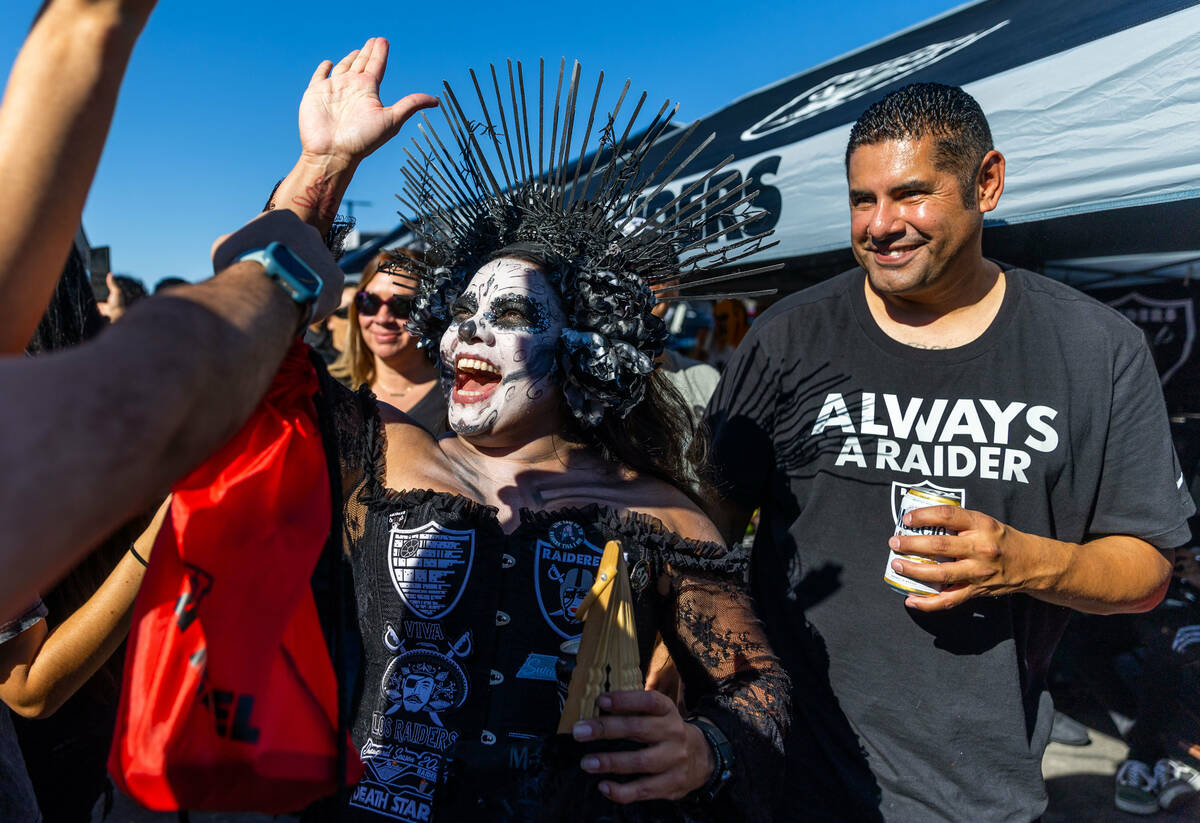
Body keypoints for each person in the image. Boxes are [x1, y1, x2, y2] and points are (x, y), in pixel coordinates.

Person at [271, 50, 790, 821]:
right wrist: (324, 163)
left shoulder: (655, 511)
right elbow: (262, 345)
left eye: (509, 316)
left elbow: (761, 686)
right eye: (462, 313)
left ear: (584, 347)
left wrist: (701, 748)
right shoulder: (387, 454)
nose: (467, 335)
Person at [703, 82, 1193, 822]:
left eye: (909, 194)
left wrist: (1022, 560)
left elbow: (1149, 568)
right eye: (861, 200)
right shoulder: (788, 337)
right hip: (787, 772)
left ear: (986, 182)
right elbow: (701, 531)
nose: (880, 225)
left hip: (977, 793)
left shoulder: (1094, 349)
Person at [330, 247, 446, 433]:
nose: (382, 318)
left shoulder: (456, 399)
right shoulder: (331, 389)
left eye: (401, 305)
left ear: (432, 312)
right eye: (369, 302)